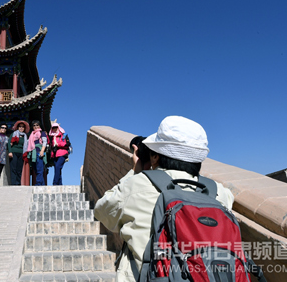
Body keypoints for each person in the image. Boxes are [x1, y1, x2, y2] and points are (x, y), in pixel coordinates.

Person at [94, 116, 234, 282]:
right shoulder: (219, 192)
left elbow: (102, 211)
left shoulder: (136, 185)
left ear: (155, 157)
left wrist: (135, 171)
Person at [26, 120, 47, 186]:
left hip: (39, 152)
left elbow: (44, 142)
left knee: (39, 169)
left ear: (39, 126)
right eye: (34, 125)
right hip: (33, 153)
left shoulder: (42, 133)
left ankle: (38, 184)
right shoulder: (31, 134)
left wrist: (42, 151)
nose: (35, 127)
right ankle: (42, 184)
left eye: (37, 125)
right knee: (35, 169)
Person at [8, 120, 29, 185]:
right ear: (17, 127)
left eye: (23, 127)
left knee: (19, 169)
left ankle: (18, 183)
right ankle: (13, 183)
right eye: (20, 126)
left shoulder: (25, 136)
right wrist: (10, 151)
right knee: (13, 168)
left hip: (21, 153)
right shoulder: (14, 134)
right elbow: (9, 143)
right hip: (14, 152)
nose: (21, 128)